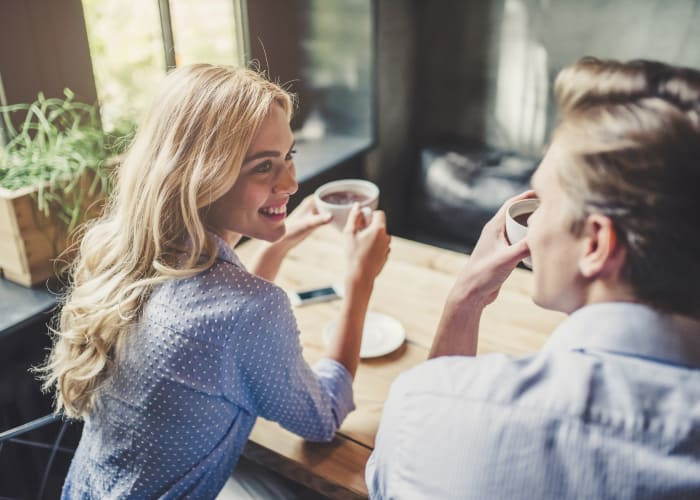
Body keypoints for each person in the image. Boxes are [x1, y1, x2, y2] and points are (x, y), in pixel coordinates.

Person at [40, 64, 390, 498]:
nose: (291, 183)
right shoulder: (248, 310)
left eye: (289, 156)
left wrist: (273, 249)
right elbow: (322, 419)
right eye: (264, 167)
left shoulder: (122, 254)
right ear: (201, 176)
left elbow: (217, 332)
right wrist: (359, 282)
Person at [366, 57, 700, 499]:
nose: (533, 221)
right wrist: (467, 298)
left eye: (543, 201)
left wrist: (462, 299)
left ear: (596, 244)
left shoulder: (427, 410)